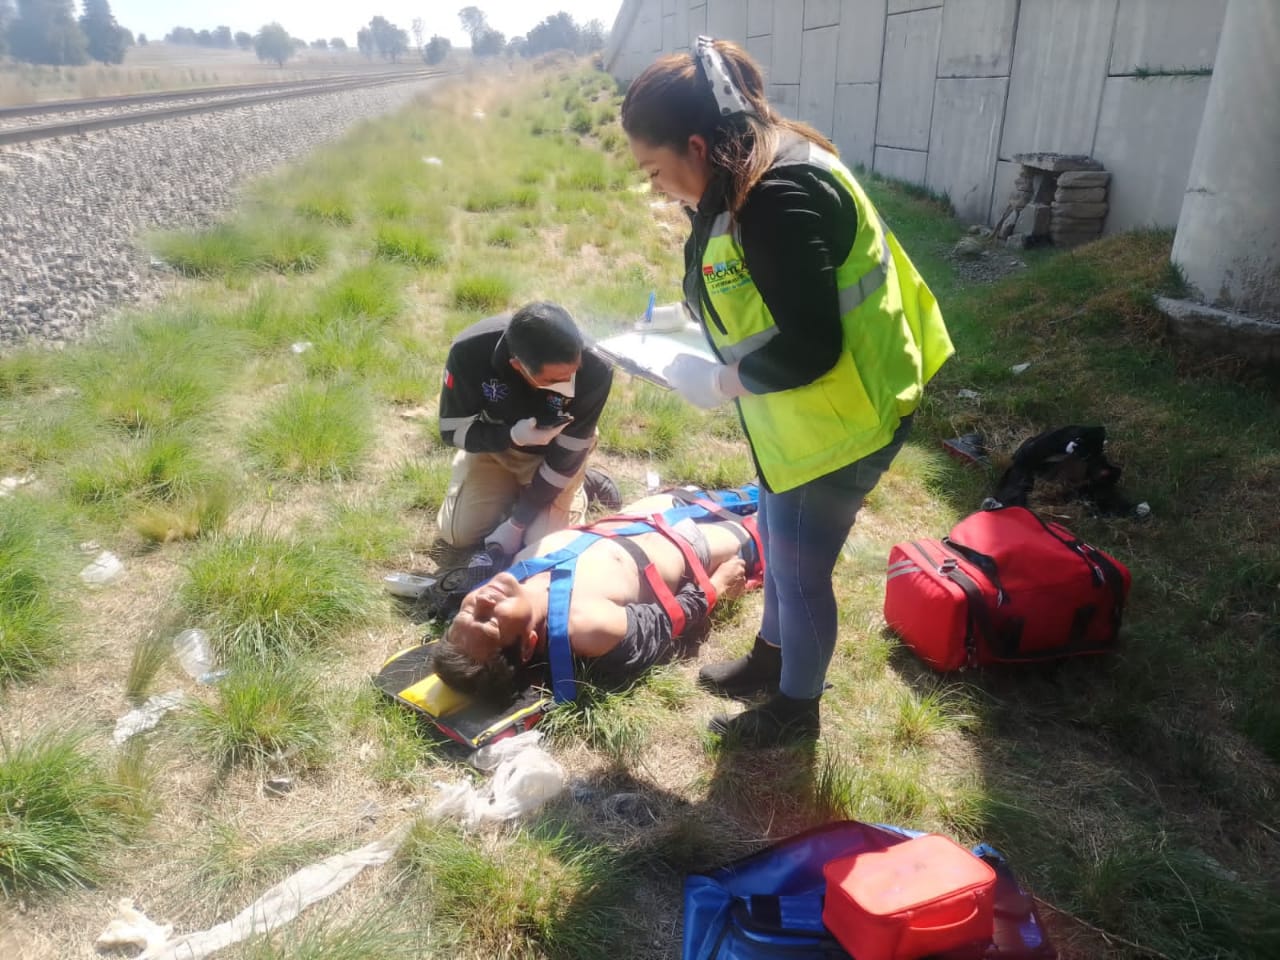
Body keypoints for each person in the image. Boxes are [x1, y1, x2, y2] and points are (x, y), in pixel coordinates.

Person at [620, 37, 954, 747]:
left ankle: (796, 711)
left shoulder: (775, 192)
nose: (653, 185)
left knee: (801, 569)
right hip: (806, 411)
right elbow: (761, 283)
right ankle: (772, 659)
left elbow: (809, 343)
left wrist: (715, 380)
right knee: (777, 531)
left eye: (653, 169)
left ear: (695, 144)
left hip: (846, 411)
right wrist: (688, 323)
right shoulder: (743, 169)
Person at [432, 489, 760, 706]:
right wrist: (716, 587)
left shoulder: (506, 584)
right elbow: (663, 623)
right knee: (785, 504)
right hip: (696, 543)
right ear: (528, 644)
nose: (483, 601)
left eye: (467, 611)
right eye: (488, 621)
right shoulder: (585, 626)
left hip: (655, 508)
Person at [436, 301, 614, 556]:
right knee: (458, 535)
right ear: (518, 365)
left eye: (573, 372)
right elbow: (451, 430)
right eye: (555, 379)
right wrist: (509, 436)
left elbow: (568, 452)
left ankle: (581, 484)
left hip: (557, 453)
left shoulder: (597, 366)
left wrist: (517, 523)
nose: (568, 382)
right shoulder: (469, 351)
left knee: (541, 548)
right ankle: (502, 485)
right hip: (495, 449)